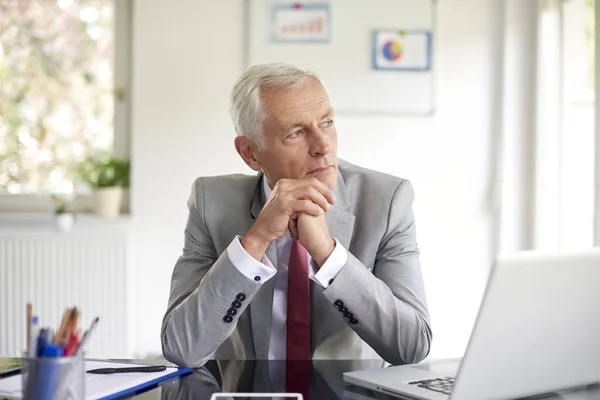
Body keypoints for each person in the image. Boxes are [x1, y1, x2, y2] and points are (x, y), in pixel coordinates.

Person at [161, 63, 432, 369]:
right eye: (297, 132)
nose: (322, 146)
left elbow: (412, 346)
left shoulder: (387, 201)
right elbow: (182, 348)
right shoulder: (212, 202)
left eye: (327, 122)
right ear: (251, 153)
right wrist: (257, 239)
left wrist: (327, 254)